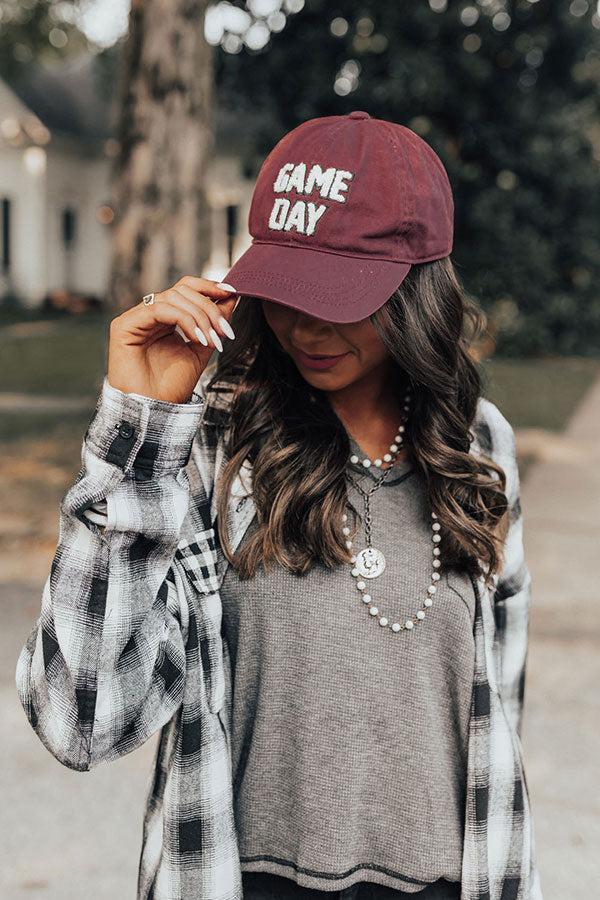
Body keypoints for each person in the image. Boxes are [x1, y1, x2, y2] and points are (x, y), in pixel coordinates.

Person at [15, 111, 543, 900]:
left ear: (419, 290)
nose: (303, 323)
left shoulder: (478, 449)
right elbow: (79, 721)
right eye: (288, 288)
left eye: (340, 294)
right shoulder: (208, 448)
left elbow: (499, 713)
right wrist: (137, 431)